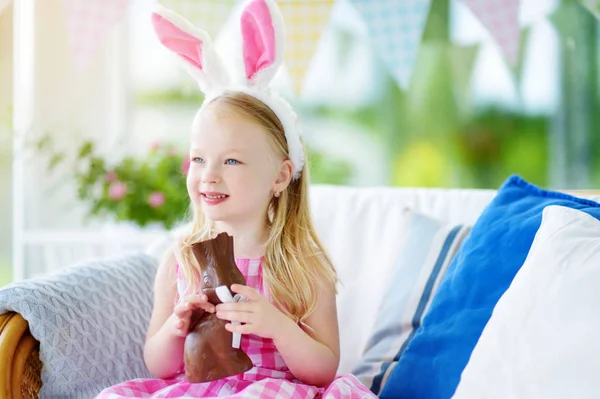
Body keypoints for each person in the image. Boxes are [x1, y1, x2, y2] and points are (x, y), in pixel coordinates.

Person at [96, 0, 376, 397]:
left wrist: (277, 325)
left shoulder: (302, 264)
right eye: (198, 158)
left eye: (231, 160)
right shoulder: (180, 260)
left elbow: (323, 370)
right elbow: (158, 365)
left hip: (273, 389)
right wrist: (176, 328)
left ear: (280, 176)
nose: (208, 174)